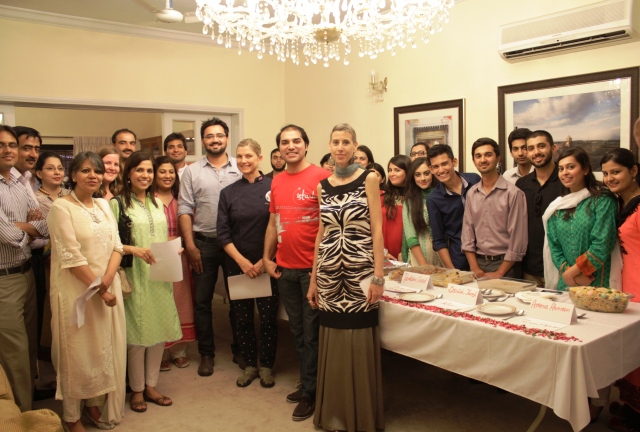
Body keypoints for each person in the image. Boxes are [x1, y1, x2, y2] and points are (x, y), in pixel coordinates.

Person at [308, 123, 384, 432]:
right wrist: (313, 279)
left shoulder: (369, 178)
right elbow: (321, 234)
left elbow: (377, 228)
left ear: (355, 146)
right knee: (333, 343)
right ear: (329, 145)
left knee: (358, 341)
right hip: (328, 274)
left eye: (346, 142)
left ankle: (360, 416)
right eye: (335, 142)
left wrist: (379, 276)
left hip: (360, 273)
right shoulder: (321, 186)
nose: (340, 147)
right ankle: (334, 415)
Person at [48, 151, 126, 431]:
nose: (92, 176)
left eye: (96, 171)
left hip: (105, 285)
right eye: (84, 171)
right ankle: (71, 417)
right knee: (77, 353)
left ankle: (93, 404)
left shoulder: (104, 206)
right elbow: (71, 257)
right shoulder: (61, 208)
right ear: (73, 175)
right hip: (76, 292)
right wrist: (100, 289)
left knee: (100, 350)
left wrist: (106, 279)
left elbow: (117, 245)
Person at [263, 124, 330, 421]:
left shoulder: (322, 177)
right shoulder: (276, 181)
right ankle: (308, 382)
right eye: (285, 142)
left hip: (311, 270)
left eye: (296, 141)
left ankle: (313, 392)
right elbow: (273, 222)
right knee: (298, 331)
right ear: (279, 148)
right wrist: (266, 257)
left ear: (306, 145)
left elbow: (329, 227)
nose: (291, 146)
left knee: (312, 334)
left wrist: (317, 272)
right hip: (285, 268)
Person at [109, 151, 182, 413]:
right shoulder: (117, 204)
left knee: (158, 332)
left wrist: (174, 250)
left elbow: (160, 236)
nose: (146, 175)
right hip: (135, 276)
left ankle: (152, 386)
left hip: (160, 275)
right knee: (137, 335)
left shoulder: (156, 203)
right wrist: (134, 250)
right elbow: (109, 242)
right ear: (128, 173)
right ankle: (137, 390)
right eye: (139, 170)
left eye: (149, 171)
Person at [178, 117, 242, 377]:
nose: (214, 140)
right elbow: (184, 208)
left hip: (235, 245)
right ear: (203, 140)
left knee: (239, 298)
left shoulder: (241, 167)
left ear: (227, 138)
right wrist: (190, 245)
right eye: (209, 136)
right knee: (202, 301)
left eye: (219, 135)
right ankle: (207, 353)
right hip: (203, 242)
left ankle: (241, 348)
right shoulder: (191, 171)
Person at [217, 139, 279, 388]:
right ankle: (249, 364)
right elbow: (222, 234)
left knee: (267, 319)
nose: (243, 161)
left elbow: (280, 228)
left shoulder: (275, 188)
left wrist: (265, 261)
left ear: (260, 158)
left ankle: (266, 366)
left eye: (249, 156)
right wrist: (244, 263)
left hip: (268, 264)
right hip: (238, 265)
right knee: (241, 319)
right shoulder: (228, 193)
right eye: (239, 156)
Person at [0, 125, 48, 412]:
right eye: (1, 144)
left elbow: (44, 225)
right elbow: (9, 236)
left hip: (28, 271)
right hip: (4, 279)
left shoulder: (19, 182)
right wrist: (27, 229)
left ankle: (28, 397)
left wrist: (24, 228)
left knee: (30, 344)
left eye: (10, 145)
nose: (8, 150)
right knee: (14, 352)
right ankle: (23, 416)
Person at [543, 146, 621, 291]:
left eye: (571, 167)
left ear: (585, 170)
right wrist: (570, 275)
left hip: (597, 282)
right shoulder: (558, 207)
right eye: (561, 169)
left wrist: (573, 273)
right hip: (566, 284)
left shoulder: (602, 200)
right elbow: (554, 247)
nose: (565, 173)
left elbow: (603, 243)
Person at [601, 142, 640, 432]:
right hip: (624, 286)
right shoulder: (620, 203)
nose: (610, 178)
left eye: (616, 172)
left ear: (634, 171)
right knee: (629, 351)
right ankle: (630, 407)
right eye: (605, 173)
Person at [461, 138, 528, 279]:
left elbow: (518, 239)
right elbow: (467, 234)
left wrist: (500, 273)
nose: (483, 160)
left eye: (488, 155)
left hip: (506, 265)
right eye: (478, 156)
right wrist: (474, 268)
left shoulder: (514, 194)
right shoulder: (472, 193)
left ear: (498, 158)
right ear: (473, 161)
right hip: (476, 264)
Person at [154, 156, 195, 372]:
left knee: (180, 301)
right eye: (162, 172)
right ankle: (159, 352)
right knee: (160, 302)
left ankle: (178, 351)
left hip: (179, 256)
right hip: (156, 257)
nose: (167, 176)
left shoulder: (182, 199)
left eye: (171, 172)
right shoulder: (147, 200)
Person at [34, 151, 70, 390]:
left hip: (75, 264)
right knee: (50, 315)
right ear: (39, 173)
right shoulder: (34, 199)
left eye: (60, 168)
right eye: (50, 168)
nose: (57, 172)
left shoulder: (71, 196)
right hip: (47, 264)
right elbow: (34, 236)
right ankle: (49, 376)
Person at [516, 130, 566, 287]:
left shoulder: (566, 181)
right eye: (531, 148)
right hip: (529, 269)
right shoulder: (521, 185)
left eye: (541, 146)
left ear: (553, 148)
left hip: (562, 267)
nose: (536, 152)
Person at [426, 144, 481, 270]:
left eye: (444, 164)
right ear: (431, 169)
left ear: (454, 162)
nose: (441, 170)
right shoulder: (433, 199)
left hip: (486, 254)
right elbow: (439, 239)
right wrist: (452, 270)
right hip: (460, 259)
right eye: (435, 166)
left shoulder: (475, 180)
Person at [402, 157, 443, 266]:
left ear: (433, 173)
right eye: (418, 175)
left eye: (426, 173)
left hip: (444, 257)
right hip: (419, 260)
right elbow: (411, 236)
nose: (423, 178)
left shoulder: (442, 196)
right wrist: (423, 264)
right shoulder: (409, 202)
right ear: (413, 177)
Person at [382, 155, 411, 261]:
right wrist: (383, 252)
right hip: (385, 253)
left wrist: (406, 252)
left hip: (409, 252)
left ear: (407, 172)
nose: (391, 174)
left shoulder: (415, 196)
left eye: (397, 170)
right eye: (389, 170)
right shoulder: (383, 195)